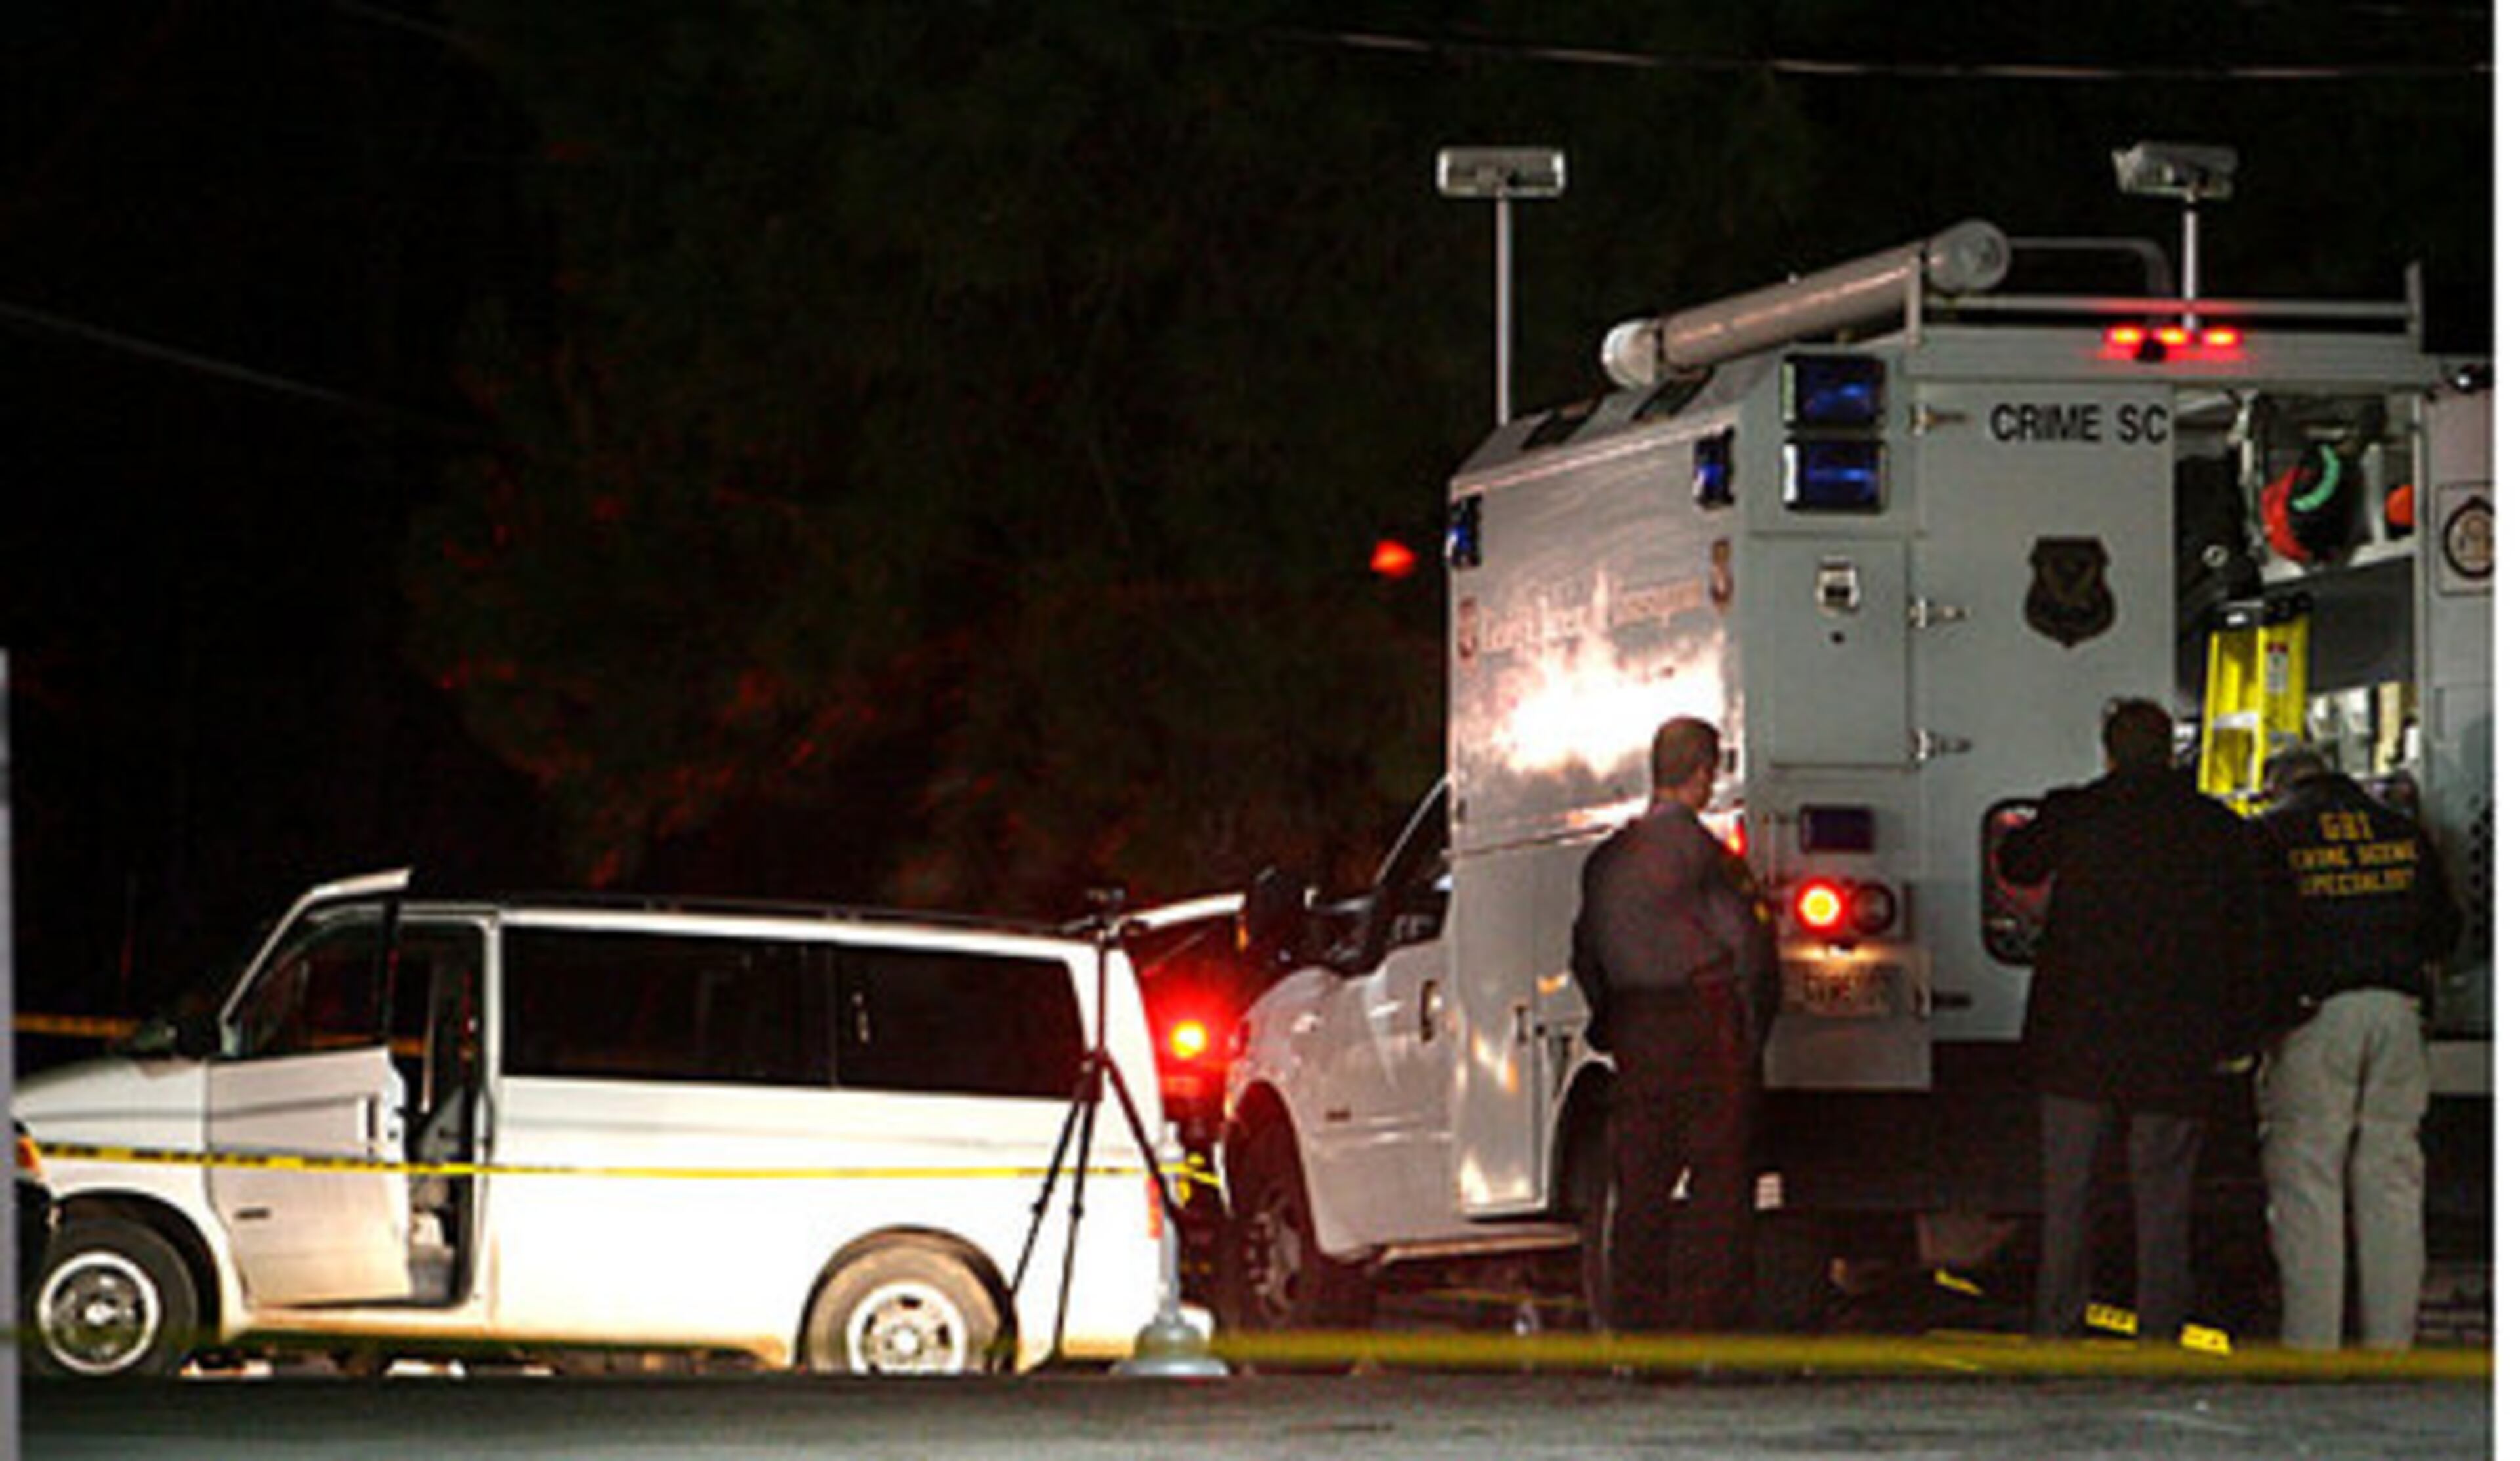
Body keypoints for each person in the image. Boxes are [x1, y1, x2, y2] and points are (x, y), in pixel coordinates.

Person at [1997, 697, 2256, 1342]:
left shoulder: (2076, 812)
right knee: (2164, 1198)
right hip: (2175, 1041)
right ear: (2171, 751)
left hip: (2078, 1041)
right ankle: (2159, 1336)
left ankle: (2058, 1329)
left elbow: (2016, 861)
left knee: (2070, 1196)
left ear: (2107, 750)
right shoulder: (2215, 826)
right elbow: (2246, 928)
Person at [1570, 716, 1777, 1334]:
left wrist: (1611, 1024)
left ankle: (1637, 1329)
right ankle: (1706, 1325)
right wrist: (1752, 1032)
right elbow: (1748, 950)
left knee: (1642, 1187)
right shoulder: (1710, 861)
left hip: (1638, 1031)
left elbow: (1585, 955)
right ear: (1704, 774)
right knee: (1718, 1183)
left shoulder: (1607, 861)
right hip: (1706, 1027)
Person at [2251, 746, 2461, 1350]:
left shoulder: (2272, 833)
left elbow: (2258, 933)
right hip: (2398, 1012)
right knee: (2393, 1181)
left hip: (2315, 1016)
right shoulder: (2401, 830)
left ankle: (2312, 1347)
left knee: (2308, 1179)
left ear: (2277, 784)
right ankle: (2391, 1345)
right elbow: (2444, 929)